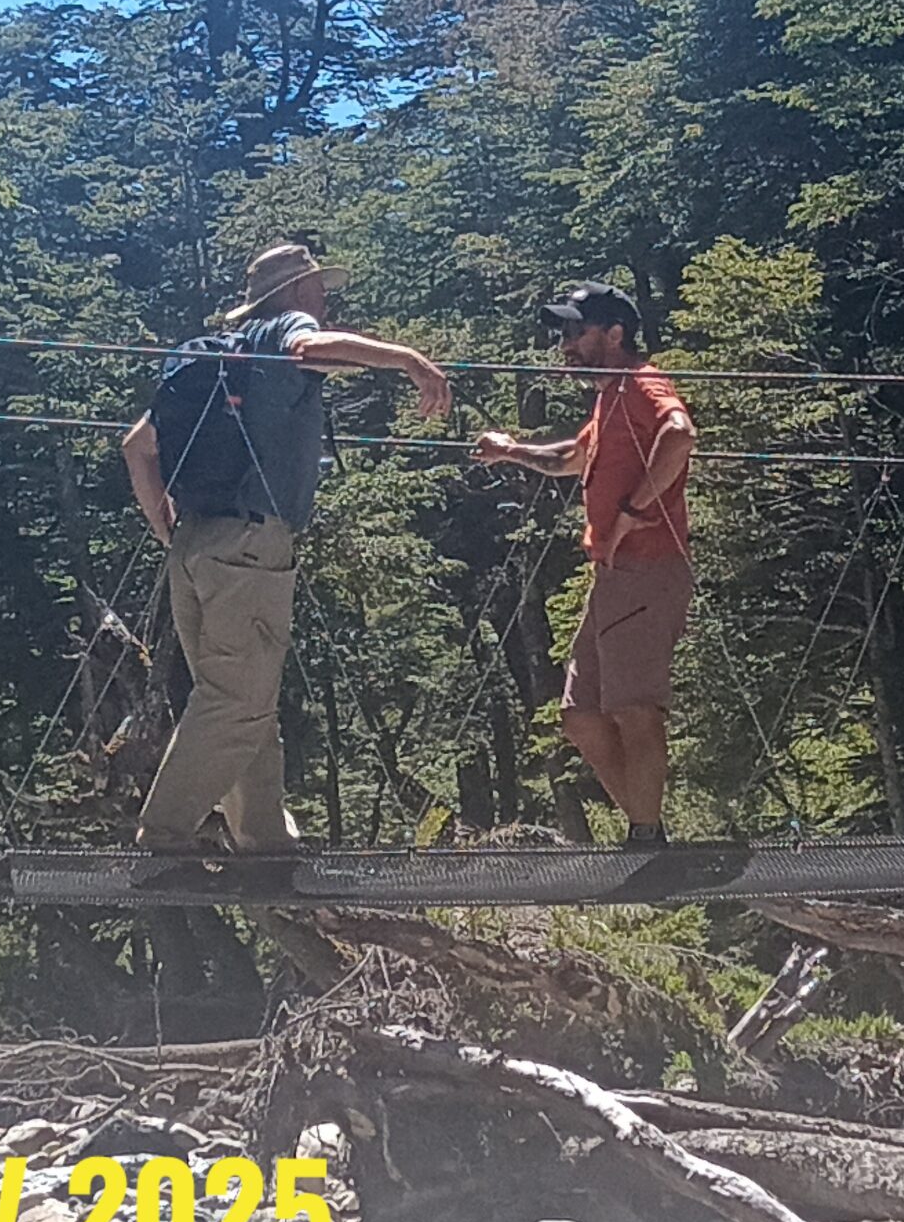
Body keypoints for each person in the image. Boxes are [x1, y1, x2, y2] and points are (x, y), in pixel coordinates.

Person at [120, 242, 449, 852]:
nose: (325, 298)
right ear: (297, 292)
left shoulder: (215, 358)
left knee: (243, 697)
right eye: (318, 287)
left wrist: (170, 530)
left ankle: (262, 838)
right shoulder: (288, 329)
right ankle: (161, 837)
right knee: (238, 700)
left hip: (193, 543)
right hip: (249, 543)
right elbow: (310, 348)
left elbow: (137, 447)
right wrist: (407, 360)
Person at [474, 282, 697, 845]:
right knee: (581, 716)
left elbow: (680, 434)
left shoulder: (643, 383)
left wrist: (633, 510)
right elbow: (575, 457)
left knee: (634, 711)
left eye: (576, 331)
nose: (565, 344)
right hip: (611, 577)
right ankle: (649, 828)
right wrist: (512, 450)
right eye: (563, 333)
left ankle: (646, 842)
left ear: (614, 334)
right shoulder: (609, 396)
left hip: (647, 569)